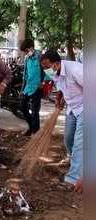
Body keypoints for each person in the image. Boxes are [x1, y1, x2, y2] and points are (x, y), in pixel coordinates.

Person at [40, 50, 83, 193]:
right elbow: (62, 87)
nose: (45, 69)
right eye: (43, 67)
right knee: (69, 139)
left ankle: (73, 178)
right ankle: (76, 163)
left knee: (79, 143)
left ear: (57, 64)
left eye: (47, 66)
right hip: (72, 108)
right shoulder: (56, 72)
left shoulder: (76, 70)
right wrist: (60, 96)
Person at [19, 39, 44, 136]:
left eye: (26, 50)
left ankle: (35, 132)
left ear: (30, 48)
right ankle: (31, 126)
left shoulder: (40, 56)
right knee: (22, 106)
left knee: (35, 111)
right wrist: (22, 89)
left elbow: (45, 71)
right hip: (28, 87)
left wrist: (42, 83)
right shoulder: (26, 58)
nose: (25, 53)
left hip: (37, 87)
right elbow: (25, 75)